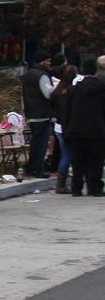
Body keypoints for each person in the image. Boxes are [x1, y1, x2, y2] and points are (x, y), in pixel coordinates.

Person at [62, 59, 105, 197]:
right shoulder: (101, 88)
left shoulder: (74, 89)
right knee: (96, 161)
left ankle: (76, 188)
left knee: (78, 161)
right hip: (97, 131)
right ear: (96, 71)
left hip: (76, 130)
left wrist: (66, 129)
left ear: (82, 70)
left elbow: (67, 111)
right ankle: (95, 188)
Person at [22, 50, 55, 178]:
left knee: (35, 142)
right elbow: (48, 94)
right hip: (42, 113)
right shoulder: (42, 75)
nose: (49, 63)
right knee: (41, 143)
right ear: (42, 61)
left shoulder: (29, 73)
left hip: (32, 113)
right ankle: (37, 168)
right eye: (48, 60)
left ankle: (32, 166)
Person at [50, 64, 78, 194]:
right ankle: (61, 185)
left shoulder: (57, 90)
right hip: (68, 126)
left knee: (64, 155)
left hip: (58, 126)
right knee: (68, 156)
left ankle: (61, 183)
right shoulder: (71, 92)